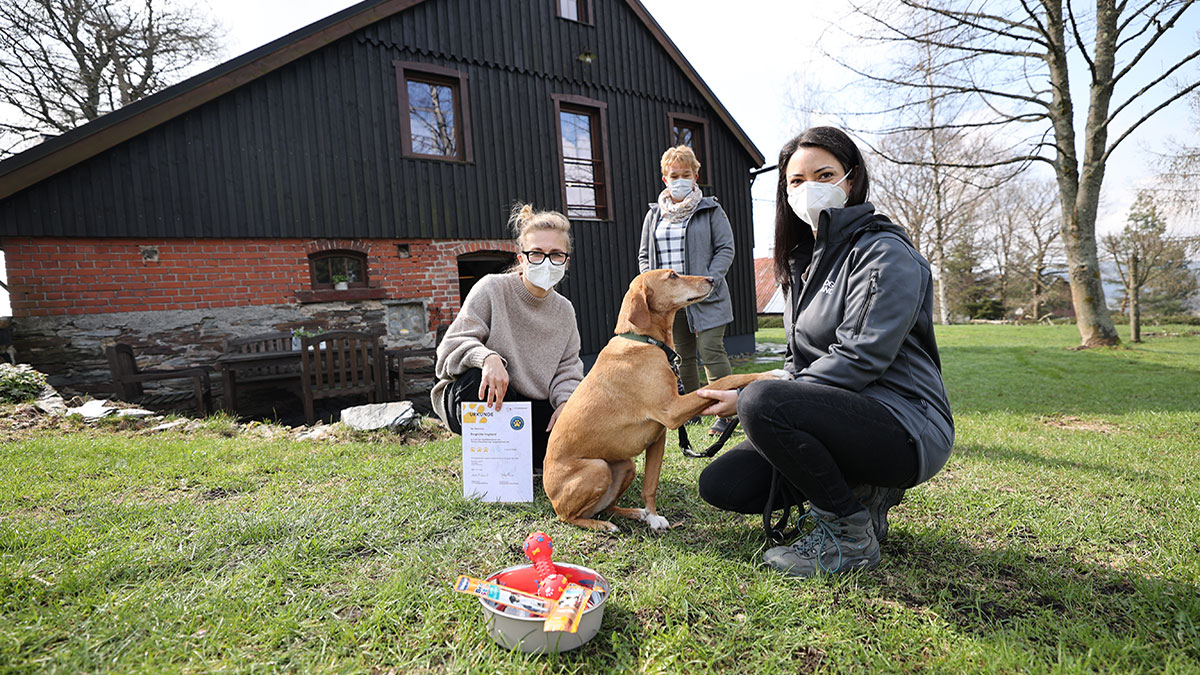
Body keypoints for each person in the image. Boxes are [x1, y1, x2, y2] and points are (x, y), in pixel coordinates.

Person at [694, 127, 954, 578]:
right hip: (841, 416)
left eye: (824, 173)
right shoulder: (801, 263)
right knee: (723, 484)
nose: (807, 187)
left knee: (761, 401)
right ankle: (863, 492)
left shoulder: (884, 252)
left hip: (905, 424)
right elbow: (798, 364)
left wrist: (756, 399)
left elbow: (860, 356)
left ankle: (848, 535)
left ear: (850, 181)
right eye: (795, 180)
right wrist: (745, 391)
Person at [431, 204, 584, 472]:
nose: (546, 262)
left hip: (529, 407)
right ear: (521, 258)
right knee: (481, 382)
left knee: (577, 426)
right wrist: (487, 357)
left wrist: (566, 404)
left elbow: (568, 369)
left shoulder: (565, 311)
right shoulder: (492, 288)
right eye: (536, 253)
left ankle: (524, 462)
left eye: (556, 255)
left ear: (566, 261)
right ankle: (496, 465)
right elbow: (449, 350)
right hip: (481, 395)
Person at [637, 144, 737, 436]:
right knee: (683, 355)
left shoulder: (711, 209)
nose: (680, 178)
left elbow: (726, 248)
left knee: (711, 350)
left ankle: (726, 413)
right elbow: (645, 257)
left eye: (686, 173)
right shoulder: (654, 216)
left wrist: (711, 279)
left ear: (696, 176)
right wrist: (653, 287)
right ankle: (693, 410)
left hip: (707, 294)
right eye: (674, 174)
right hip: (672, 300)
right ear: (665, 178)